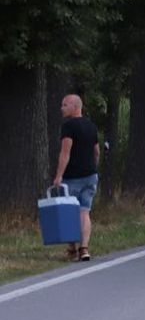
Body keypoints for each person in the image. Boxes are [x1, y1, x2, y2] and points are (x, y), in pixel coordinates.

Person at [52, 94, 100, 262]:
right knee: (84, 212)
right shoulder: (91, 126)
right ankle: (84, 248)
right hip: (90, 175)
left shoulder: (69, 126)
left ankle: (72, 249)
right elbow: (97, 152)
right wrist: (94, 167)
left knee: (70, 213)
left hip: (72, 176)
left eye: (65, 104)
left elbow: (66, 152)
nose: (61, 108)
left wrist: (59, 175)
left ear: (75, 106)